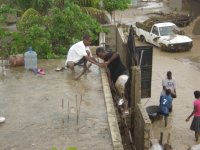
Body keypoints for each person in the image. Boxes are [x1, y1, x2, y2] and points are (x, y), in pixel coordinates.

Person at [96, 47, 129, 114]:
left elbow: (117, 53)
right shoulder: (105, 59)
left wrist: (108, 61)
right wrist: (110, 81)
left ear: (103, 52)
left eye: (100, 55)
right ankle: (122, 108)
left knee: (119, 86)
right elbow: (109, 72)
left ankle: (125, 109)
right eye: (99, 57)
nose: (101, 57)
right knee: (119, 93)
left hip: (123, 74)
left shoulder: (109, 54)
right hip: (117, 78)